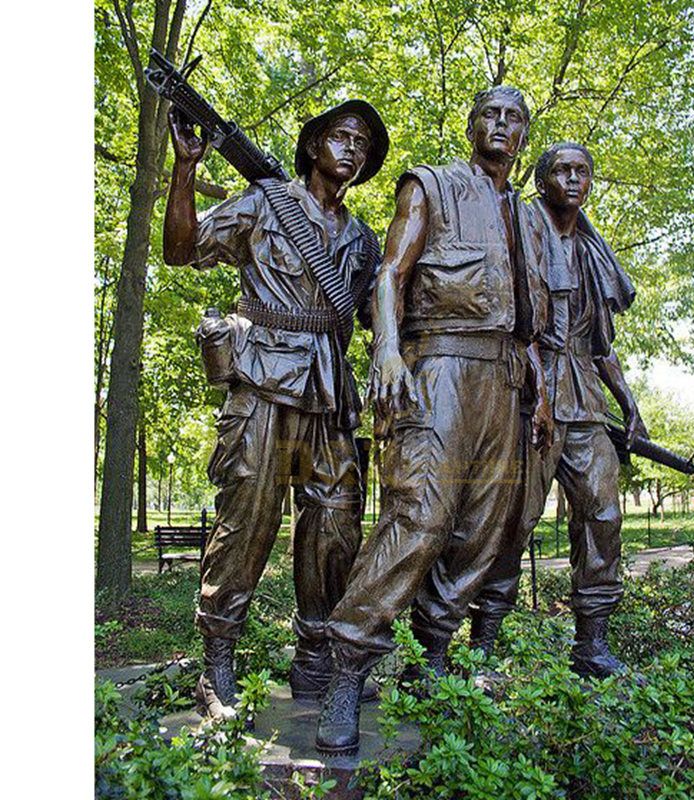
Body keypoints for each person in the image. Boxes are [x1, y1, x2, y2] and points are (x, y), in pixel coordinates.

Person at [314, 86, 551, 755]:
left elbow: (532, 319)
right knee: (419, 516)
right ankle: (347, 669)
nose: (501, 126)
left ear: (523, 136)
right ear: (472, 125)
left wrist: (540, 393)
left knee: (483, 527)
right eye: (490, 115)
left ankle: (433, 661)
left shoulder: (528, 218)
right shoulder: (432, 184)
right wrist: (386, 350)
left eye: (514, 119)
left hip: (505, 380)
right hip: (439, 363)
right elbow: (390, 273)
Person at [162, 99, 389, 719]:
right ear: (313, 145)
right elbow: (181, 249)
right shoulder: (265, 202)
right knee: (249, 520)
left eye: (362, 145)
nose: (352, 149)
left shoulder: (362, 240)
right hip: (263, 378)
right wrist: (185, 169)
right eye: (341, 136)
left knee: (335, 526)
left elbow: (376, 314)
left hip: (330, 391)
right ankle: (217, 664)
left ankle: (316, 659)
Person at [471, 141, 649, 679]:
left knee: (603, 513)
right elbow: (515, 318)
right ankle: (482, 642)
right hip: (530, 392)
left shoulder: (591, 252)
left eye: (583, 172)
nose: (574, 180)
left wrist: (629, 402)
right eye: (563, 171)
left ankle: (592, 644)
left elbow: (600, 343)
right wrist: (540, 394)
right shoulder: (522, 229)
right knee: (513, 521)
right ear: (543, 178)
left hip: (585, 398)